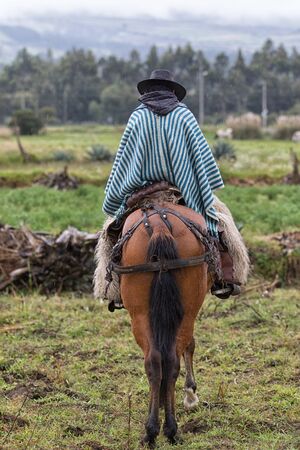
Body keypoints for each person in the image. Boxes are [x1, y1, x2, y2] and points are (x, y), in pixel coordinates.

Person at [94, 69, 249, 303]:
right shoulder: (184, 115)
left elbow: (124, 161)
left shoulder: (137, 116)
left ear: (148, 91)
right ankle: (225, 278)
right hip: (183, 192)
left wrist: (119, 196)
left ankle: (113, 290)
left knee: (110, 233)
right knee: (220, 221)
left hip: (141, 195)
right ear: (172, 92)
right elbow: (201, 158)